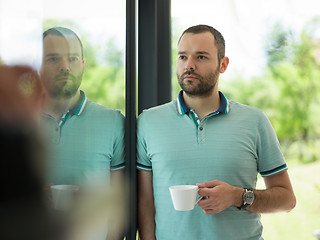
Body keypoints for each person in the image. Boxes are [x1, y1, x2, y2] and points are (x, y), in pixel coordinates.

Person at [137, 24, 296, 240]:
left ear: (223, 64)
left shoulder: (254, 121)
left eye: (200, 57)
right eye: (183, 57)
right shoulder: (148, 121)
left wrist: (238, 197)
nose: (189, 65)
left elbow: (287, 200)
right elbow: (146, 204)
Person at [40, 27, 125, 239]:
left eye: (73, 58)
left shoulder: (113, 121)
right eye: (53, 59)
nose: (65, 67)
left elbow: (118, 206)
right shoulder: (16, 124)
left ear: (83, 64)